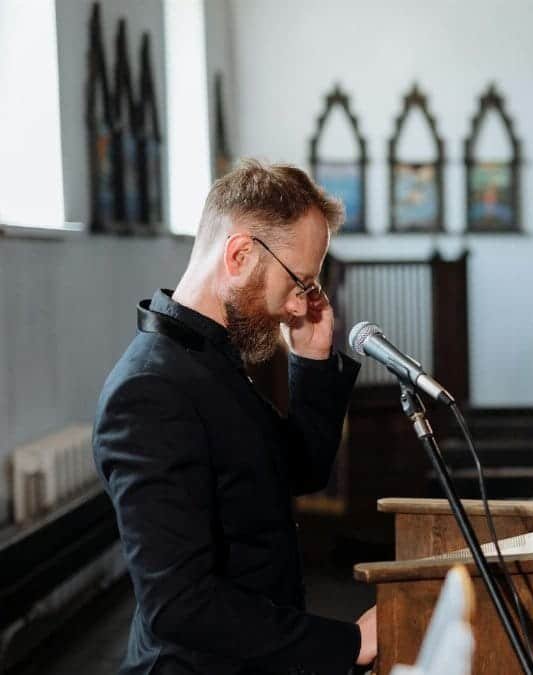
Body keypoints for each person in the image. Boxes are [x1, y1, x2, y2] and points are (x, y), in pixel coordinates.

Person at [93, 160, 377, 674]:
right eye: (300, 282)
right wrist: (349, 643)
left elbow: (296, 471)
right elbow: (177, 605)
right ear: (241, 254)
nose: (299, 307)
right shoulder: (151, 389)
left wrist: (311, 363)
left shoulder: (211, 360)